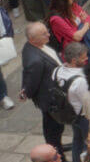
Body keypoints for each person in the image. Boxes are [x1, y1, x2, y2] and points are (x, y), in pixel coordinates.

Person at [21, 22, 66, 153]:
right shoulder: (35, 59)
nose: (48, 35)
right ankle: (58, 156)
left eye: (47, 31)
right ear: (32, 39)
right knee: (53, 129)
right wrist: (26, 92)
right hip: (50, 99)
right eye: (44, 34)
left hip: (55, 93)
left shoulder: (36, 45)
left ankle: (59, 146)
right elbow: (31, 79)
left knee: (57, 127)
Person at [55, 42, 90, 162]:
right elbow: (89, 102)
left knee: (77, 141)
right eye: (84, 57)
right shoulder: (80, 80)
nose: (86, 59)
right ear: (74, 60)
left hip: (70, 114)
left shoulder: (57, 70)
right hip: (83, 116)